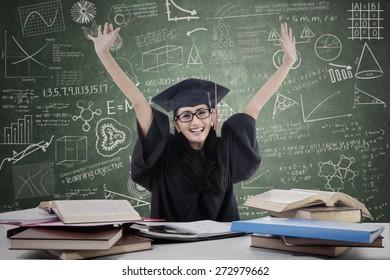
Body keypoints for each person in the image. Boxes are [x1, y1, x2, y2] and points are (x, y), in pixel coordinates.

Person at [89, 22, 296, 222]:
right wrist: (103, 54)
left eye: (201, 112)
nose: (195, 121)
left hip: (222, 249)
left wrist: (288, 61)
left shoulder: (225, 150)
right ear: (176, 124)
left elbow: (256, 106)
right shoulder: (164, 151)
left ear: (212, 117)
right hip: (171, 250)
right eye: (186, 115)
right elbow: (138, 103)